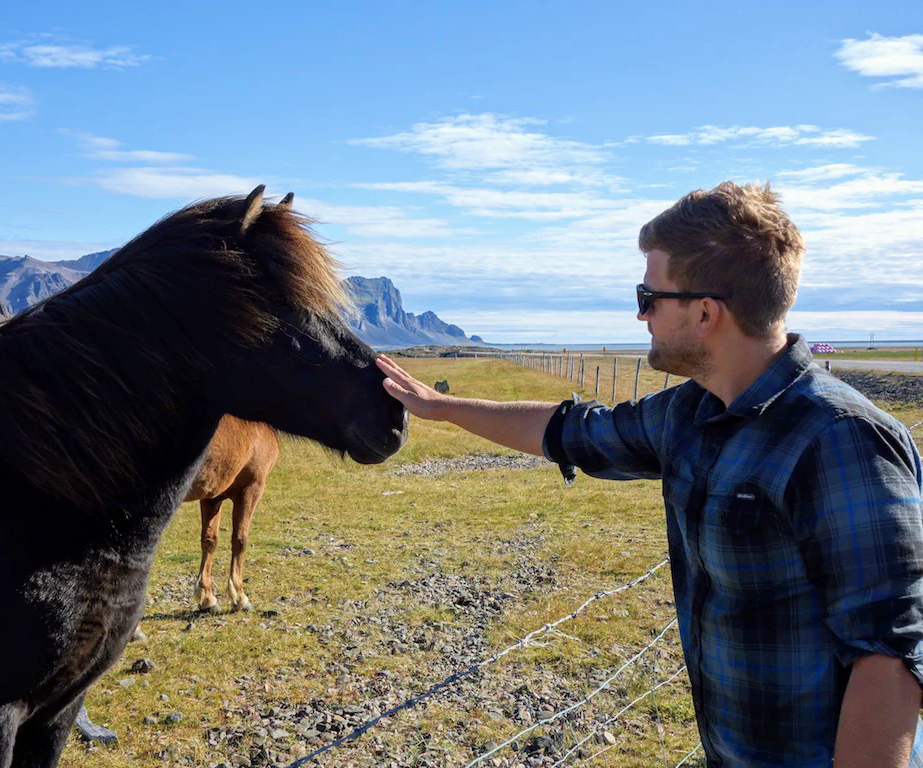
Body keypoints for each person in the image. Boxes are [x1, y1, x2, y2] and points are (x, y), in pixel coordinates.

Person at [376, 182, 923, 768]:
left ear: (706, 312)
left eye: (648, 297)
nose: (640, 315)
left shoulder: (840, 438)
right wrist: (442, 406)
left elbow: (889, 660)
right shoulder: (689, 413)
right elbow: (569, 432)